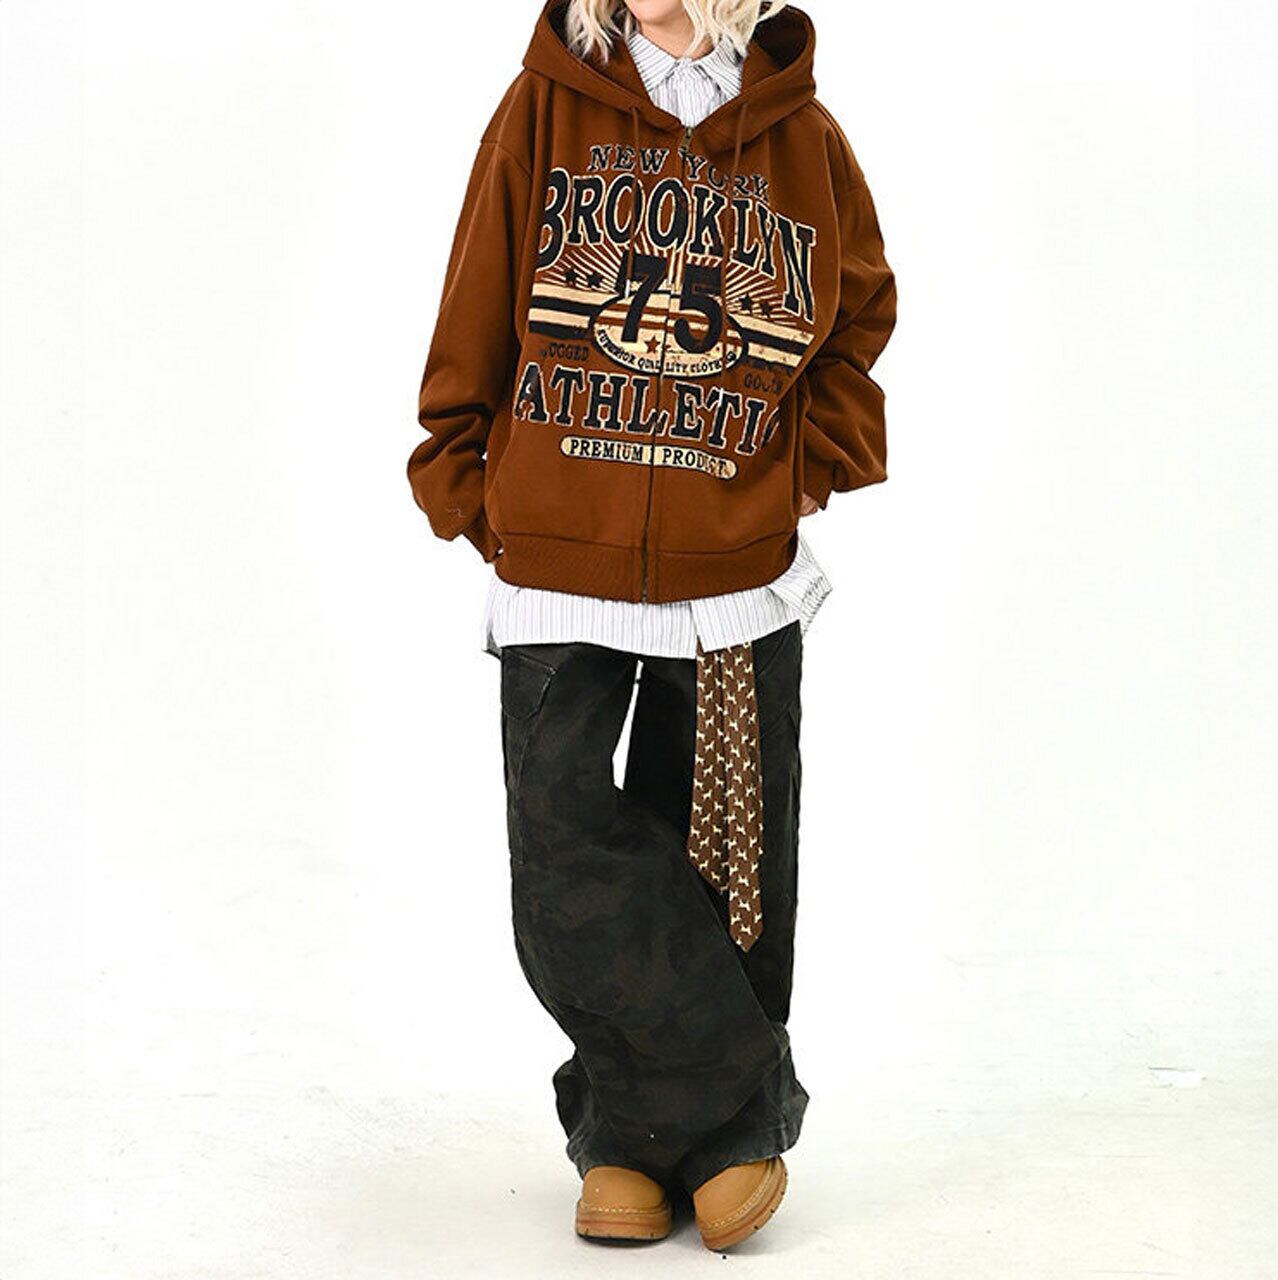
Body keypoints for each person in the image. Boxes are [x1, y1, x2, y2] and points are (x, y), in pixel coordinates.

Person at [407, 0, 895, 1251]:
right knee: (561, 856)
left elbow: (858, 316)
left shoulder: (805, 138)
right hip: (555, 557)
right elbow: (478, 283)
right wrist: (464, 472)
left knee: (729, 858)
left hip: (731, 570)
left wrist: (810, 469)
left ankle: (634, 1143)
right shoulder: (543, 109)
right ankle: (737, 1111)